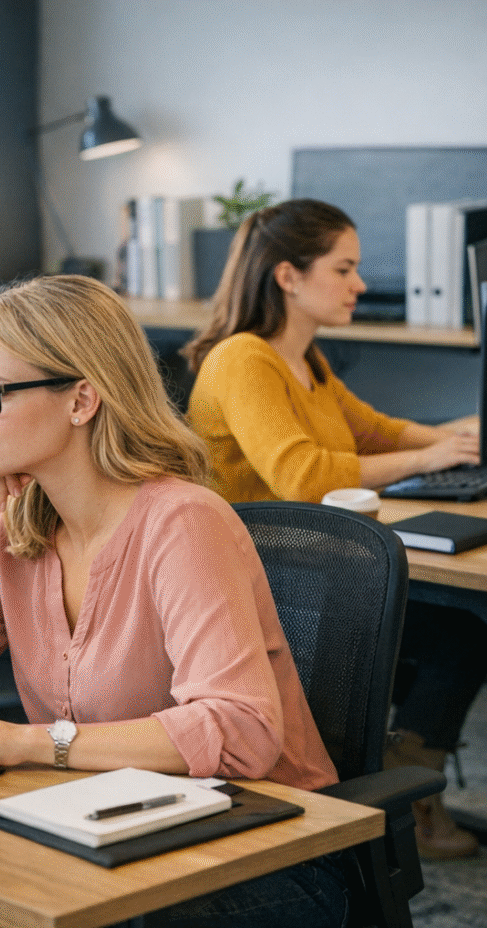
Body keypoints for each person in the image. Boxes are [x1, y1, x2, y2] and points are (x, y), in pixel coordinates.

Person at [0, 275, 348, 928]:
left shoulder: (183, 523)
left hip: (260, 849)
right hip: (104, 823)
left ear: (82, 399)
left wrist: (26, 743)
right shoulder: (19, 524)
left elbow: (241, 732)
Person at [185, 198, 485, 860]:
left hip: (317, 567)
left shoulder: (306, 360)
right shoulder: (245, 359)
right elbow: (302, 475)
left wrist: (462, 436)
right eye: (344, 269)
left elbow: (377, 428)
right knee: (463, 628)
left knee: (465, 626)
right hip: (270, 587)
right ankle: (407, 785)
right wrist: (429, 457)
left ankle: (406, 771)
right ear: (288, 276)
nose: (359, 285)